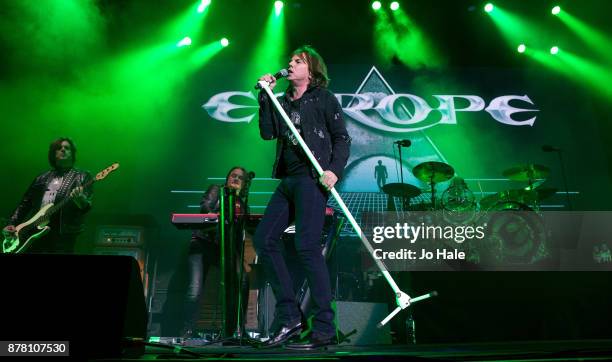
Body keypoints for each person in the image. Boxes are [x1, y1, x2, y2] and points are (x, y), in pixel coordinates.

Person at [254, 45, 351, 349]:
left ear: (311, 70)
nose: (291, 64)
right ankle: (290, 317)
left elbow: (341, 137)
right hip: (289, 179)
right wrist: (265, 97)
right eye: (290, 61)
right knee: (264, 240)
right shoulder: (281, 101)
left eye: (299, 61)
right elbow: (268, 133)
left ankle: (324, 327)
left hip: (312, 179)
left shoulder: (323, 98)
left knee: (307, 247)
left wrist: (334, 170)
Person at [180, 166, 251, 339]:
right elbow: (205, 208)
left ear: (244, 184)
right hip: (203, 243)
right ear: (227, 179)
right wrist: (220, 215)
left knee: (242, 279)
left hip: (224, 247)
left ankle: (238, 329)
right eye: (233, 176)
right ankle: (187, 330)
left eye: (240, 178)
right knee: (195, 289)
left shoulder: (242, 204)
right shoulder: (216, 190)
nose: (235, 179)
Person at [2, 137, 92, 254]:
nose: (63, 150)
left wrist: (81, 200)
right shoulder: (41, 178)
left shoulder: (82, 176)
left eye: (67, 148)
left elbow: (86, 207)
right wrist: (11, 224)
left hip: (63, 236)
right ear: (53, 153)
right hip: (35, 233)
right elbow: (24, 204)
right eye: (59, 148)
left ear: (73, 153)